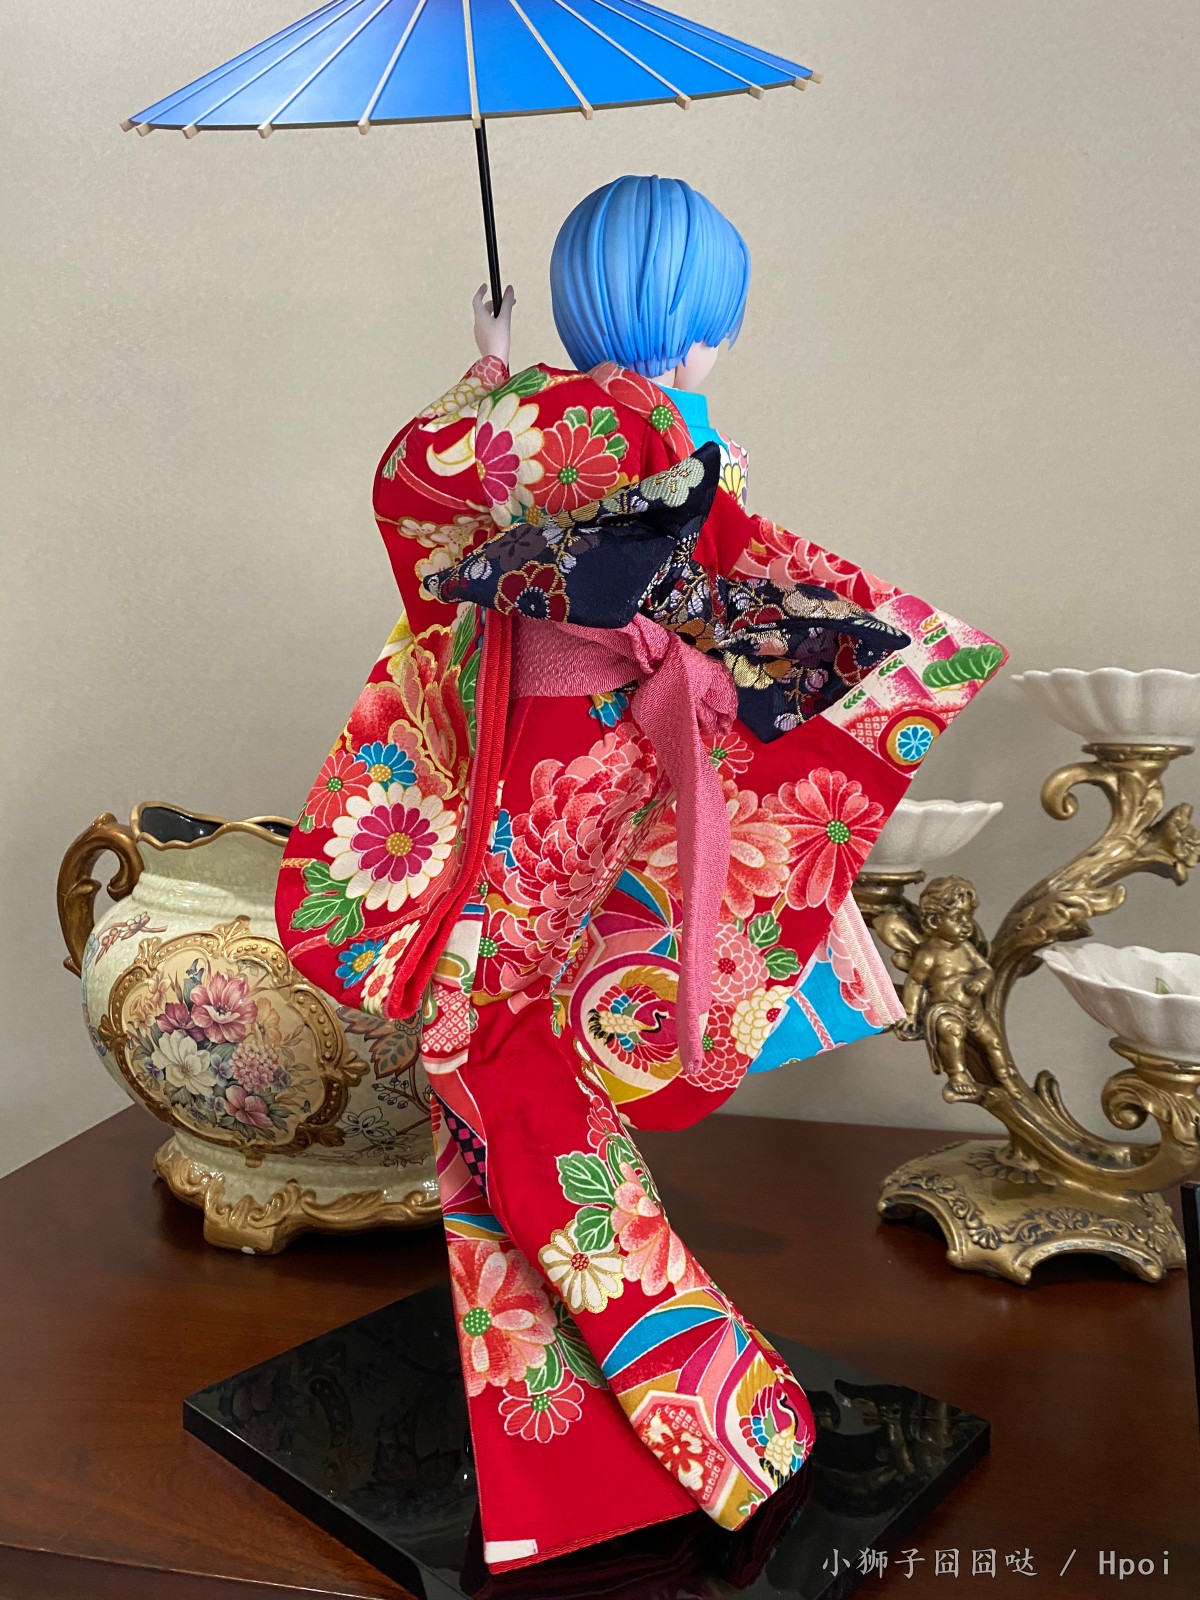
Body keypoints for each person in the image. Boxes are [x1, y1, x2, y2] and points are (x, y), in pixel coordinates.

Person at [275, 175, 1005, 1571]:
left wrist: (491, 386)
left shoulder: (505, 437)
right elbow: (746, 612)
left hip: (518, 776)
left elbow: (437, 541)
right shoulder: (674, 439)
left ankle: (644, 1436)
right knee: (511, 1074)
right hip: (611, 787)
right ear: (700, 326)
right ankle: (691, 1429)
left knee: (493, 1069)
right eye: (719, 319)